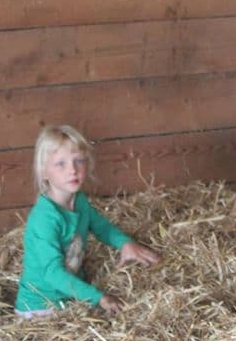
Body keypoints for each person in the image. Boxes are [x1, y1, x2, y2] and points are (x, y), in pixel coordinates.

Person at [15, 125, 159, 317]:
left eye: (79, 161)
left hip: (71, 299)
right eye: (61, 164)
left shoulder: (79, 201)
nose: (73, 170)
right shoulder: (45, 219)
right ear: (44, 171)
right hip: (40, 308)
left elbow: (101, 227)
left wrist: (124, 243)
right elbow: (53, 274)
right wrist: (97, 297)